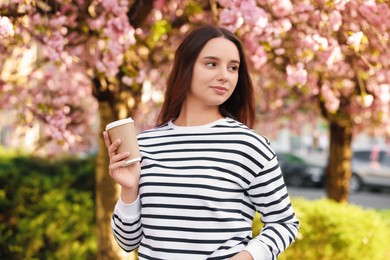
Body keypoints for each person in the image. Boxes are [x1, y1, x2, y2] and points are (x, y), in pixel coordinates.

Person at [103, 25, 299, 260]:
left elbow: (284, 222)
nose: (225, 75)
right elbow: (127, 241)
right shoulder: (145, 145)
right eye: (211, 64)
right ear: (186, 68)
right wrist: (129, 189)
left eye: (233, 68)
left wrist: (247, 256)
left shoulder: (248, 146)